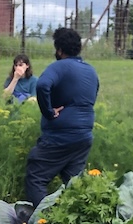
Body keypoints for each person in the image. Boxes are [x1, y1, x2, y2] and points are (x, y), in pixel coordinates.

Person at [23, 27, 98, 211]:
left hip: (60, 136)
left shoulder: (58, 66)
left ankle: (45, 222)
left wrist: (48, 112)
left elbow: (42, 85)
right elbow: (92, 95)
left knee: (36, 177)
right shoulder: (90, 71)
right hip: (84, 136)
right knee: (75, 184)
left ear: (59, 49)